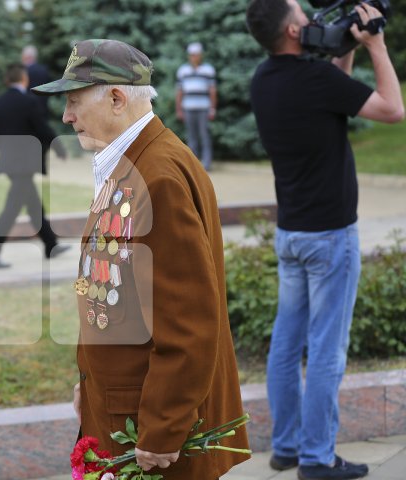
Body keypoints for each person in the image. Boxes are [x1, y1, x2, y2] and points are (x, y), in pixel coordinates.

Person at [32, 39, 249, 479]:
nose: (66, 116)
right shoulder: (135, 161)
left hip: (147, 426)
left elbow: (187, 323)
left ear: (116, 98)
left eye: (74, 101)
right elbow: (115, 288)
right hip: (123, 404)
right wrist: (89, 382)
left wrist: (163, 428)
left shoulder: (157, 177)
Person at [246, 1, 404, 479]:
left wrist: (346, 46)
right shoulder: (317, 81)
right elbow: (393, 109)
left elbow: (331, 86)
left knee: (287, 344)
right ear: (295, 30)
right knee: (327, 350)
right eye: (305, 13)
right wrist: (375, 44)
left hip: (291, 234)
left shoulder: (263, 79)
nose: (315, 16)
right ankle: (317, 458)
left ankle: (287, 447)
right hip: (330, 237)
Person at [0, 63, 70, 269]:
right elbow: (42, 128)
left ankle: (51, 245)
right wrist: (59, 148)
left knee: (32, 205)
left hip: (9, 163)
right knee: (12, 208)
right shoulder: (28, 102)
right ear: (24, 79)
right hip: (25, 163)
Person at [175, 42, 217, 171]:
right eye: (192, 55)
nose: (194, 57)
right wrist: (179, 109)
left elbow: (213, 90)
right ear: (189, 56)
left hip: (204, 108)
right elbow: (179, 91)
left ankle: (206, 164)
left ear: (200, 55)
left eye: (196, 55)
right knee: (191, 136)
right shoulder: (183, 71)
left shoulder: (208, 70)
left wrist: (212, 108)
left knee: (204, 135)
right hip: (188, 108)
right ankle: (193, 164)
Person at [22, 45, 52, 119]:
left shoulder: (23, 72)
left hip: (27, 109)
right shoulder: (44, 70)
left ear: (27, 57)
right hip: (43, 107)